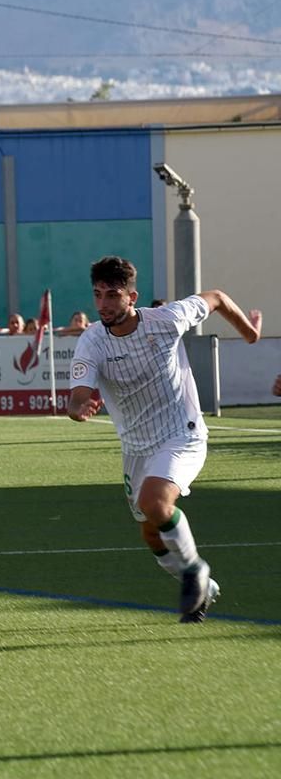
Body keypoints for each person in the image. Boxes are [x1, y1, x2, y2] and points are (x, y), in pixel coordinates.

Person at [67, 256, 263, 622]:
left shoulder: (167, 320)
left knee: (156, 502)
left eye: (113, 295)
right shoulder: (92, 341)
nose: (104, 304)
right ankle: (205, 586)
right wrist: (78, 407)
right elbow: (79, 393)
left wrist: (250, 334)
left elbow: (216, 297)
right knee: (152, 533)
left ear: (132, 296)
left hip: (181, 433)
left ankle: (194, 571)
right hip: (136, 448)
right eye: (98, 295)